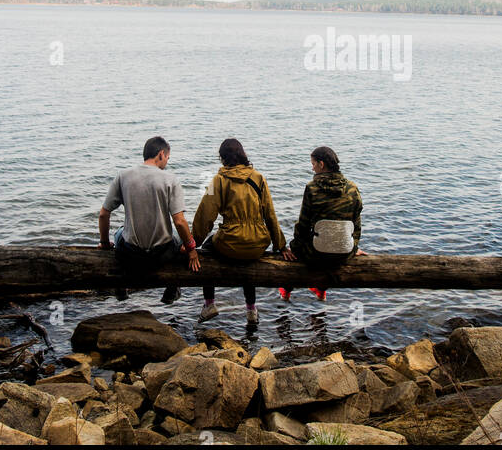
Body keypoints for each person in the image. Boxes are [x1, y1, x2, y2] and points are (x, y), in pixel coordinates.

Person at [191, 138, 287, 326]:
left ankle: (209, 304)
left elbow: (205, 215)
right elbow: (270, 214)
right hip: (258, 242)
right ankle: (251, 310)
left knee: (206, 251)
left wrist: (193, 243)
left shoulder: (219, 180)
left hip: (230, 242)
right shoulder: (258, 178)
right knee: (247, 261)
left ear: (223, 158)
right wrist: (281, 245)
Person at [98, 136, 201, 303]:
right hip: (161, 254)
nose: (167, 161)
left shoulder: (123, 176)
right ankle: (172, 288)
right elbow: (180, 221)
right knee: (178, 236)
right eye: (167, 157)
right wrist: (191, 249)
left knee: (120, 232)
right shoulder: (170, 179)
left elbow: (103, 214)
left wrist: (103, 243)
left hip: (131, 253)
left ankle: (121, 286)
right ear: (161, 154)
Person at [280, 146, 364, 302]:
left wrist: (295, 247)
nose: (312, 168)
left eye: (313, 164)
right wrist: (354, 247)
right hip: (344, 253)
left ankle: (287, 289)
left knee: (293, 253)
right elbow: (356, 224)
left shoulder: (312, 188)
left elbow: (303, 224)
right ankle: (320, 289)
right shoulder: (352, 188)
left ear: (321, 164)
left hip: (316, 254)